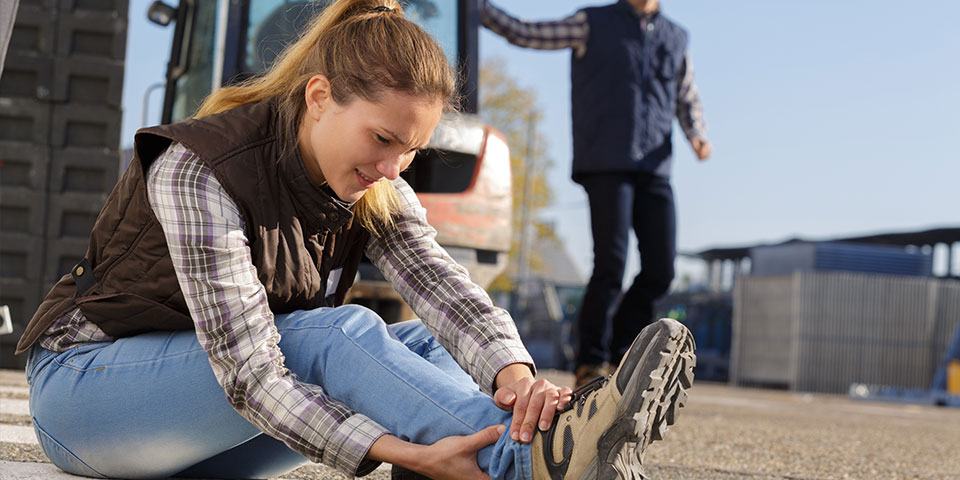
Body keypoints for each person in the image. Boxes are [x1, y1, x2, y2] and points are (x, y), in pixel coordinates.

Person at [16, 1, 695, 478]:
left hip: (201, 432)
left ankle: (533, 441)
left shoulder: (376, 185)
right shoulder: (200, 168)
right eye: (381, 139)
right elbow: (253, 376)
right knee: (329, 335)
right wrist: (403, 450)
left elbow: (443, 289)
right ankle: (527, 464)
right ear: (319, 97)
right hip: (85, 404)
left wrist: (519, 383)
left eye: (411, 150)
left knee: (429, 348)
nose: (393, 167)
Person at [482, 0, 712, 387]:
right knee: (611, 264)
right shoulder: (591, 23)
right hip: (606, 160)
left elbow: (685, 96)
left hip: (655, 164)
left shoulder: (676, 37)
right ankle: (590, 359)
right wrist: (477, 9)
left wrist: (697, 135)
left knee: (661, 269)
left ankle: (622, 350)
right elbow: (525, 33)